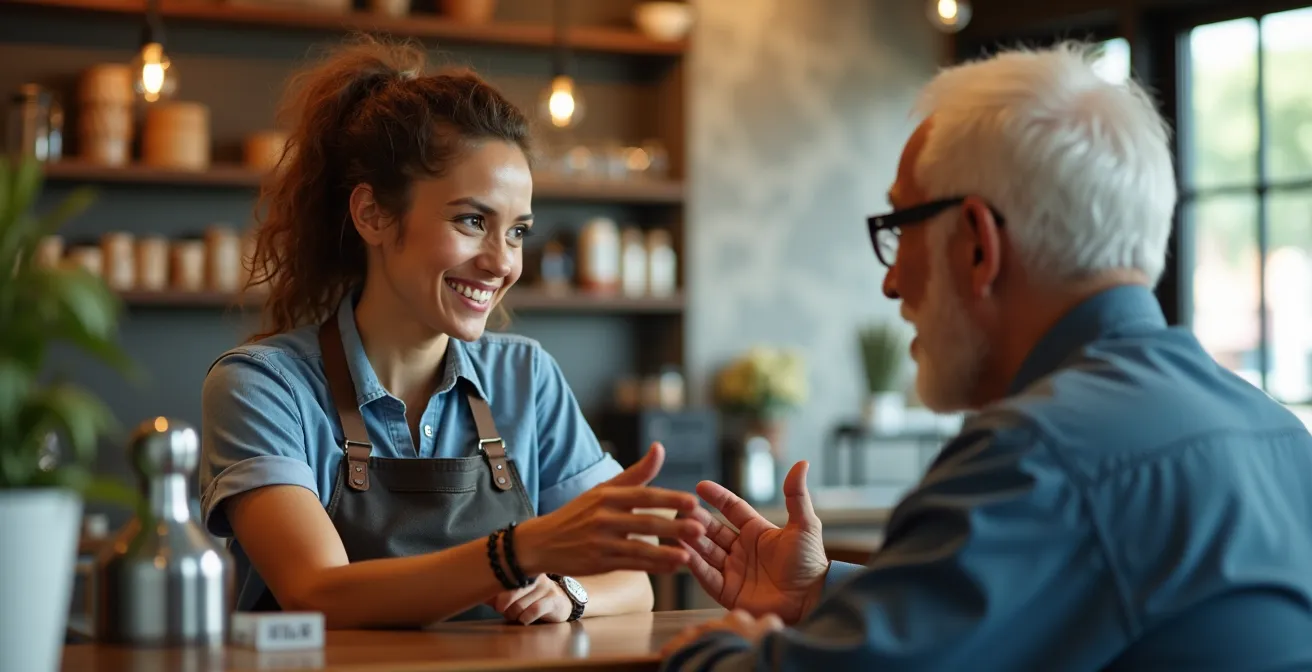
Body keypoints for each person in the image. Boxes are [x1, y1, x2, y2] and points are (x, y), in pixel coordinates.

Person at [660, 42, 1312, 670]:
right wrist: (820, 593)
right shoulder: (1278, 435)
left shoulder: (1039, 455)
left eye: (898, 227)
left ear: (976, 244)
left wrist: (709, 650)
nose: (891, 282)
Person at [198, 37, 705, 630]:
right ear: (373, 216)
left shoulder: (526, 378)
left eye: (517, 232)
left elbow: (632, 581)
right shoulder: (263, 387)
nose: (502, 263)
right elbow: (319, 593)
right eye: (472, 221)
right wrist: (518, 552)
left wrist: (570, 593)